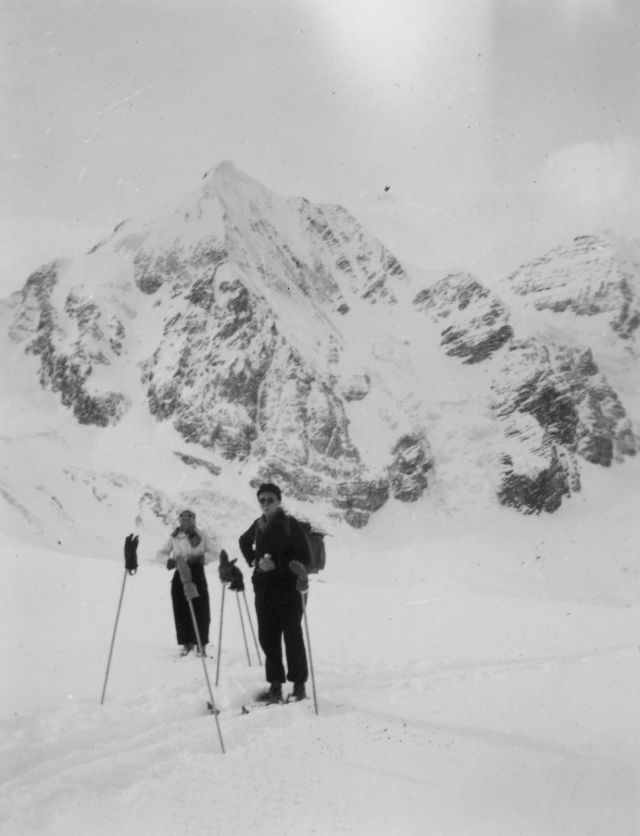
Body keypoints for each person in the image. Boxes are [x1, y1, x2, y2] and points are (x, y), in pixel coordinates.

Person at [238, 482, 310, 703]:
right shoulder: (258, 525)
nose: (266, 503)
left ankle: (298, 686)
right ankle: (275, 685)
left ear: (279, 501)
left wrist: (277, 566)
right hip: (264, 587)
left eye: (270, 499)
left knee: (292, 635)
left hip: (288, 589)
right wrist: (254, 561)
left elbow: (305, 558)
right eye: (262, 500)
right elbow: (243, 541)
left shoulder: (291, 525)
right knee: (268, 637)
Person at [157, 509, 213, 656]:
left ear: (194, 519)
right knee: (180, 607)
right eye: (182, 518)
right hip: (180, 569)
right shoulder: (174, 536)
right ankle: (187, 643)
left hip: (196, 570)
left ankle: (201, 644)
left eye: (189, 518)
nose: (185, 520)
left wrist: (201, 558)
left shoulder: (201, 536)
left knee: (200, 607)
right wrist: (168, 561)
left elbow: (214, 552)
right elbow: (161, 552)